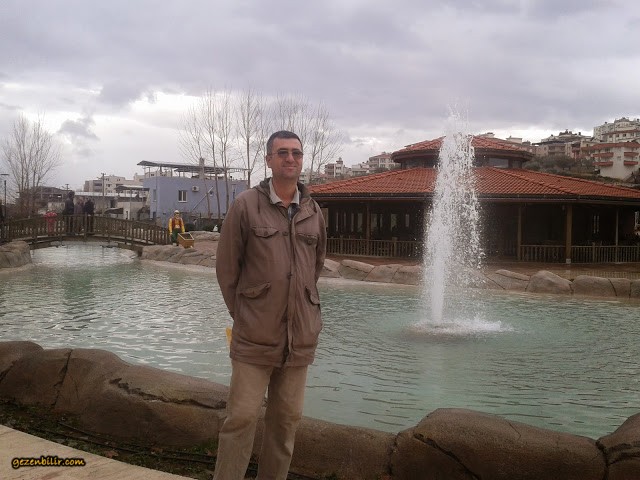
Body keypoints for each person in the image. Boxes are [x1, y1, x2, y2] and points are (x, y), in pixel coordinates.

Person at [214, 130, 326, 480]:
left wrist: (301, 308)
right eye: (283, 153)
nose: (290, 158)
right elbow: (227, 269)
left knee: (286, 422)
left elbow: (315, 267)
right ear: (269, 160)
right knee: (241, 418)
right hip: (254, 337)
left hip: (299, 338)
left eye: (296, 153)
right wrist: (246, 313)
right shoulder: (246, 205)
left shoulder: (313, 211)